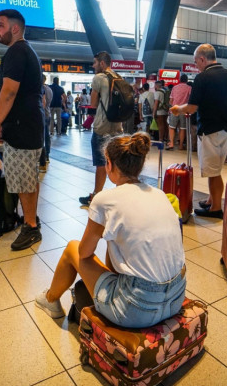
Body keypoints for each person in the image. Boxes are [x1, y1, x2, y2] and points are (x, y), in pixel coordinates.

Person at [35, 133, 186, 328]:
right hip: (176, 297)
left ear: (109, 164)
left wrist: (107, 231)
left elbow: (84, 253)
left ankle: (50, 300)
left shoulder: (105, 200)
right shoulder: (160, 194)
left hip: (136, 310)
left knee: (73, 248)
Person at [169, 44, 227, 218]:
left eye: (196, 62)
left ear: (202, 59)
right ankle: (210, 199)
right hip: (225, 129)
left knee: (214, 172)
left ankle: (216, 208)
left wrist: (178, 109)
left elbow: (192, 108)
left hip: (210, 129)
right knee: (213, 167)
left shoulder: (203, 78)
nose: (196, 65)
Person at [0, 9, 45, 251]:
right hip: (29, 125)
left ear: (15, 28)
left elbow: (9, 91)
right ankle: (32, 219)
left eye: (0, 25)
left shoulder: (16, 51)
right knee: (28, 177)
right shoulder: (26, 51)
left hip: (22, 127)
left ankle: (31, 227)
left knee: (24, 179)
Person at [79, 51, 123, 206]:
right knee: (116, 162)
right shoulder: (118, 77)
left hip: (102, 127)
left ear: (102, 64)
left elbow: (93, 104)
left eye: (95, 63)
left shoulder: (98, 78)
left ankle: (96, 196)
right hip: (118, 127)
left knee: (101, 163)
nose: (93, 66)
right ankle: (121, 194)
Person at [167, 75, 191, 150]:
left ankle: (171, 144)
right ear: (186, 80)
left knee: (172, 127)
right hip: (184, 110)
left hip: (175, 109)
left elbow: (171, 101)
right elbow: (191, 100)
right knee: (182, 128)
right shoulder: (189, 88)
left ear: (180, 80)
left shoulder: (175, 87)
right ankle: (180, 145)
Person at [39, 75, 53, 172]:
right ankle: (47, 155)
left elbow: (42, 103)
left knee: (41, 137)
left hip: (41, 114)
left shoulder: (41, 89)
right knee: (47, 135)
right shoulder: (49, 89)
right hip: (48, 114)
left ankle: (42, 158)